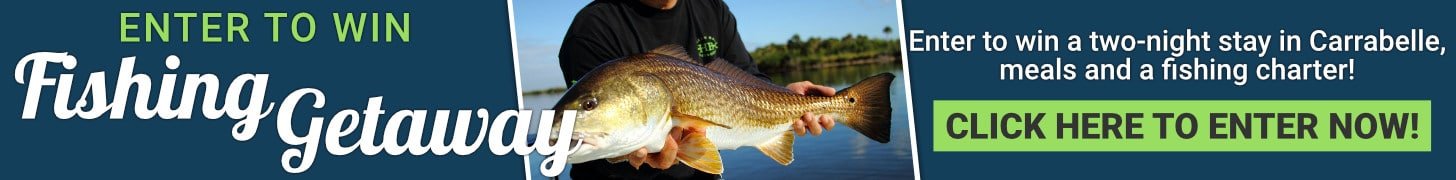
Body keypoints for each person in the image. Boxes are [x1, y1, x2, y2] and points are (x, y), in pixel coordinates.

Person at [557, 0, 837, 179]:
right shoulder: (592, 28)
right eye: (589, 106)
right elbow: (592, 129)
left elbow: (750, 78)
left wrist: (786, 96)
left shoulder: (712, 9)